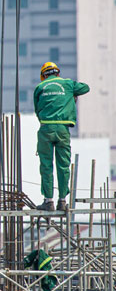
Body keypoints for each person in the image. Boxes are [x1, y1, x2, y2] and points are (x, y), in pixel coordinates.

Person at [34, 62, 89, 211]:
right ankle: (62, 200)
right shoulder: (68, 83)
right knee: (63, 165)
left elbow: (37, 110)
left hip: (46, 128)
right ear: (57, 73)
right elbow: (85, 87)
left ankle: (48, 201)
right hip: (63, 129)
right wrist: (72, 94)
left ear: (44, 75)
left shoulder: (40, 87)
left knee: (46, 165)